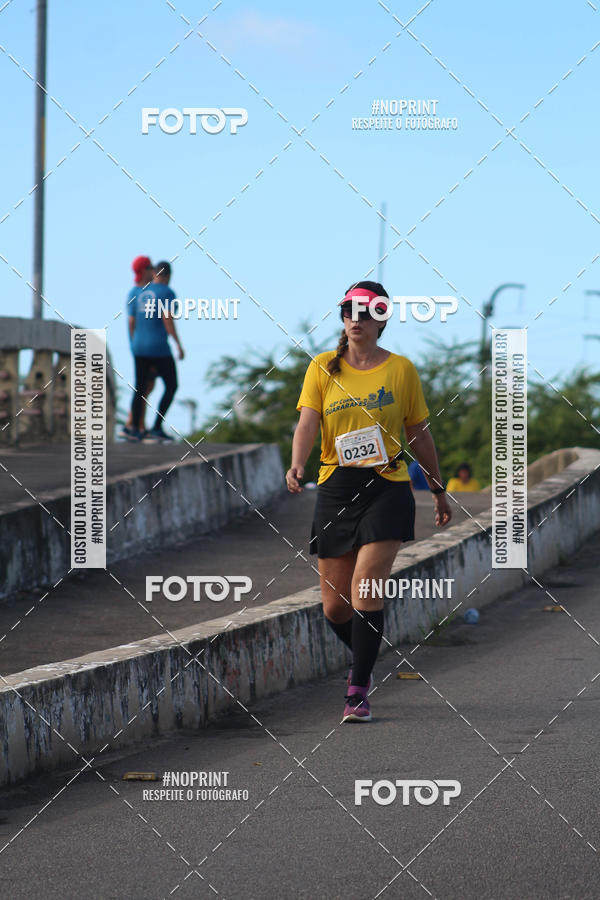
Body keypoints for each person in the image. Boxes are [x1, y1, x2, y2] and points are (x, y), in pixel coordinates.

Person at [286, 280, 451, 723]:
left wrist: (437, 489)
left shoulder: (401, 370)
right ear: (342, 318)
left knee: (367, 588)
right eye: (349, 311)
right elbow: (307, 423)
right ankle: (366, 658)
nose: (355, 319)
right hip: (336, 488)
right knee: (335, 607)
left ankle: (357, 691)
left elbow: (419, 434)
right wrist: (297, 464)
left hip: (387, 487)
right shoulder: (322, 367)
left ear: (382, 319)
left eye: (365, 312)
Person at [127, 260, 184, 442]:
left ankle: (134, 429)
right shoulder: (167, 292)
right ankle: (157, 427)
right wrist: (178, 344)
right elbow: (167, 318)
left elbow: (131, 321)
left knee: (140, 387)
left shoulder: (138, 292)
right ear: (168, 276)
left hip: (139, 347)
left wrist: (134, 343)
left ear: (154, 273)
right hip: (159, 348)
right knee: (171, 385)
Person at [122, 255, 156, 439]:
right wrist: (136, 346)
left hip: (145, 347)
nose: (153, 270)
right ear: (144, 270)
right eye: (151, 267)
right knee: (144, 386)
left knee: (147, 386)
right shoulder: (138, 293)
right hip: (144, 348)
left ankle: (134, 424)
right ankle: (134, 426)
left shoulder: (141, 292)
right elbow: (132, 322)